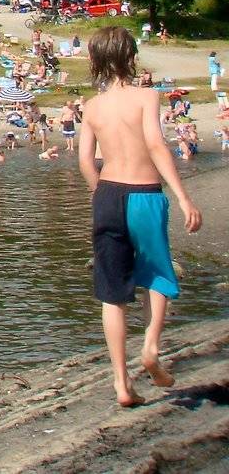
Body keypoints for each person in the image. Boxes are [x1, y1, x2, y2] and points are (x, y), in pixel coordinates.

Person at [78, 27, 202, 407]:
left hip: (107, 195)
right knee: (157, 275)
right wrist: (182, 197)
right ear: (130, 56)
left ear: (97, 60)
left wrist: (99, 191)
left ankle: (121, 384)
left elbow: (85, 160)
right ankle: (149, 348)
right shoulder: (147, 96)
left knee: (112, 295)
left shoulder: (92, 106)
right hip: (144, 194)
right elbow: (154, 144)